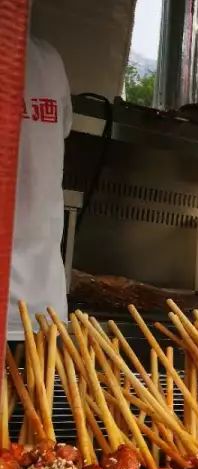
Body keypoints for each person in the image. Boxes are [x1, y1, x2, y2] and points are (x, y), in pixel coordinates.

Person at [8, 34, 71, 341]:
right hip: (44, 309)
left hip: (37, 316)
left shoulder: (49, 59)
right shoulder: (48, 59)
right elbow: (63, 132)